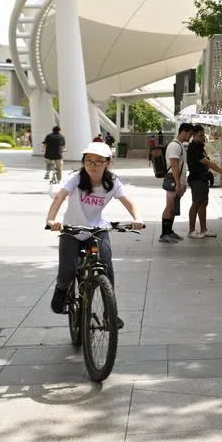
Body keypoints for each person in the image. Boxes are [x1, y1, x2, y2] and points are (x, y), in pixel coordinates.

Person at [45, 141, 144, 328]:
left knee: (106, 266)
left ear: (108, 162)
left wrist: (137, 217)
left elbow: (127, 200)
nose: (93, 165)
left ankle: (110, 314)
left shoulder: (112, 182)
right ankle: (60, 291)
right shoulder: (75, 178)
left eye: (99, 161)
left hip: (97, 229)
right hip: (71, 230)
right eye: (89, 161)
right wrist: (51, 220)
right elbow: (60, 196)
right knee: (67, 271)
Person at [186, 125, 222, 238]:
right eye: (200, 136)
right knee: (196, 203)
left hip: (203, 179)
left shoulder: (200, 147)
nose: (203, 138)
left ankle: (204, 229)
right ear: (194, 136)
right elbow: (209, 164)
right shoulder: (194, 148)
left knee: (203, 203)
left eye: (203, 135)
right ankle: (191, 230)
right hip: (196, 179)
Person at [159, 123, 193, 243]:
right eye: (190, 134)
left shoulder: (180, 145)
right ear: (183, 131)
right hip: (172, 180)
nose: (190, 136)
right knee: (169, 206)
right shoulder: (174, 146)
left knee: (173, 206)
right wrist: (178, 183)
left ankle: (169, 231)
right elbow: (174, 165)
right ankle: (164, 234)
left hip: (176, 180)